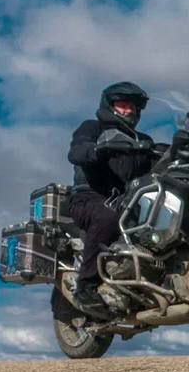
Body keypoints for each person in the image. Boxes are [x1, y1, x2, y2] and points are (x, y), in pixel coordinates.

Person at [67, 82, 156, 312]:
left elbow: (157, 160)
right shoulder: (92, 128)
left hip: (126, 202)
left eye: (133, 107)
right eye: (123, 105)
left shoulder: (141, 140)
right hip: (88, 197)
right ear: (110, 105)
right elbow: (76, 151)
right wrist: (97, 149)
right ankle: (85, 287)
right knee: (108, 216)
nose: (129, 110)